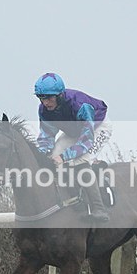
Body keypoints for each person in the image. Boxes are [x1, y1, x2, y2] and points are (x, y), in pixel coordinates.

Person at [34, 72, 112, 222]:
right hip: (73, 131)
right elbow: (46, 136)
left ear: (60, 95)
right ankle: (71, 197)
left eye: (49, 98)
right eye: (41, 98)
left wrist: (64, 157)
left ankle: (98, 208)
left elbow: (86, 140)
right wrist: (42, 154)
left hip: (97, 128)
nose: (46, 103)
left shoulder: (80, 105)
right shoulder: (43, 110)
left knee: (80, 161)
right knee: (52, 158)